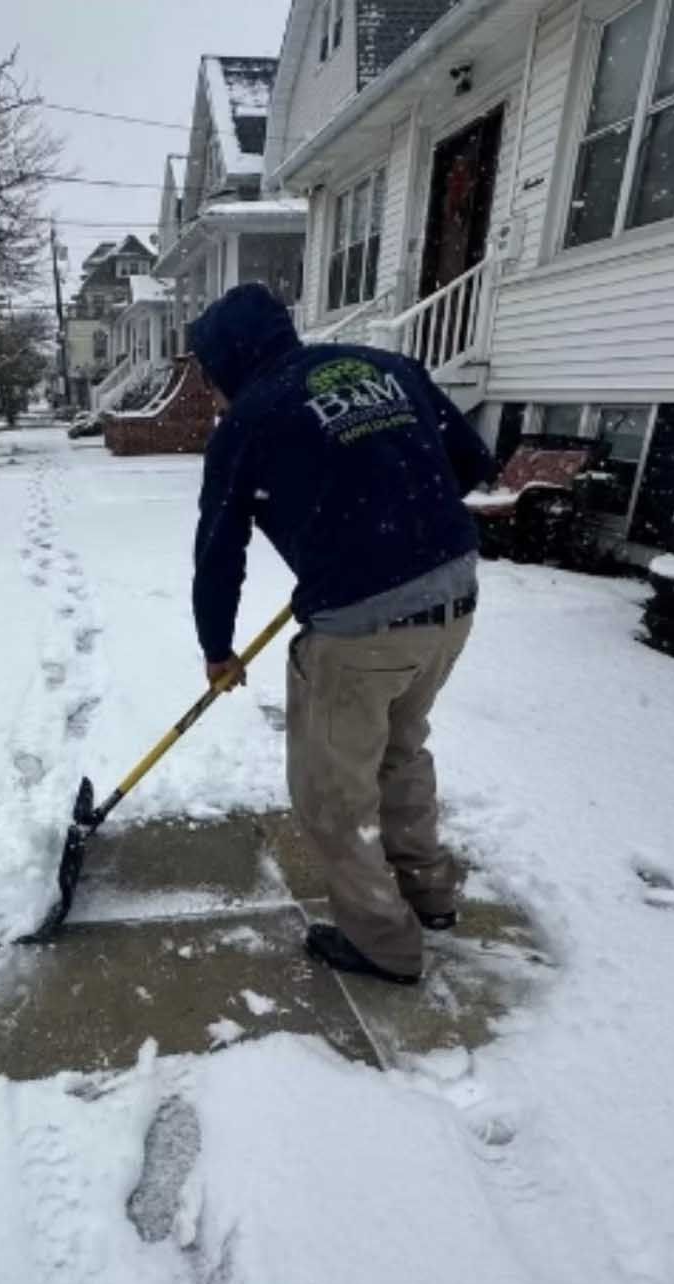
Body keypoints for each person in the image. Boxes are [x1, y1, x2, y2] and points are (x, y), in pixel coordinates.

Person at [189, 283, 496, 987]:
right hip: (452, 600)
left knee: (332, 795)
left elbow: (218, 551)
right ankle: (429, 894)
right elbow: (471, 464)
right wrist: (377, 499)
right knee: (399, 748)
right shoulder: (385, 366)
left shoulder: (248, 422)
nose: (208, 394)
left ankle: (383, 945)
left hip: (363, 630)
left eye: (207, 376)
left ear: (227, 361)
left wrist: (216, 648)